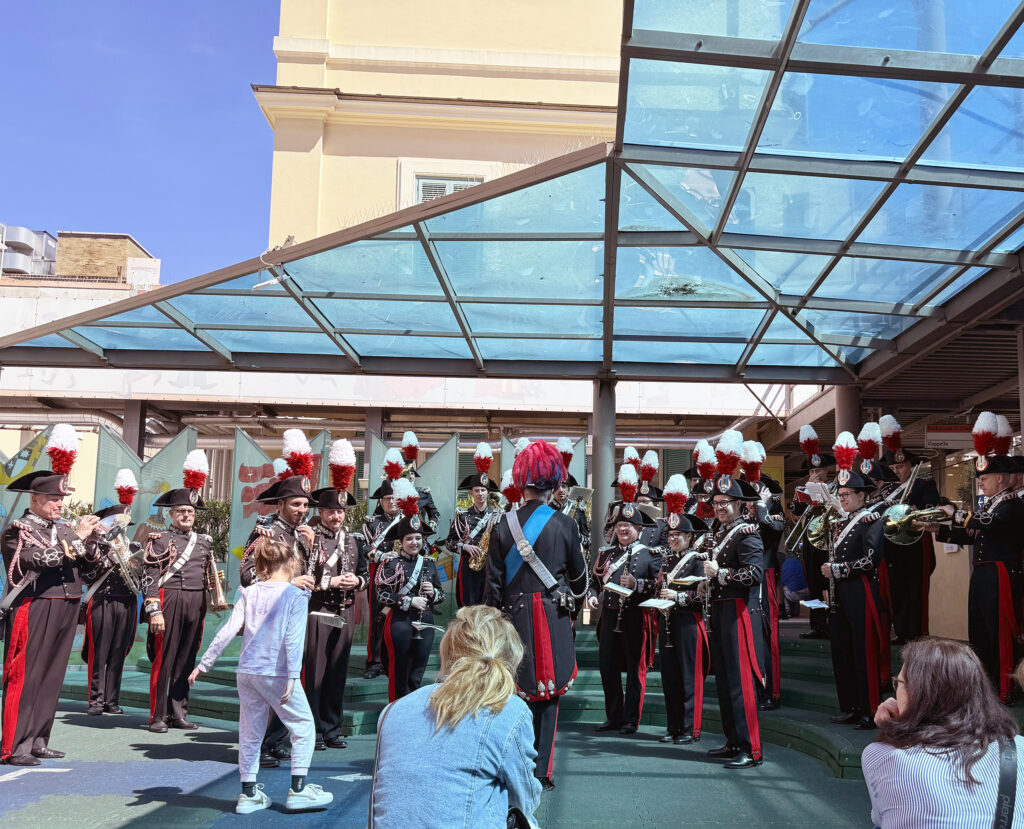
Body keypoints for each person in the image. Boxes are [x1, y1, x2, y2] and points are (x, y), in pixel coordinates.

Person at [191, 538, 333, 815]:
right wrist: (293, 675)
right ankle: (300, 790)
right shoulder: (296, 595)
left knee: (250, 732)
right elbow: (294, 639)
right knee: (303, 726)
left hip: (247, 671)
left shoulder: (248, 592)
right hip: (276, 672)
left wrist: (204, 665)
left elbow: (227, 630)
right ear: (292, 563)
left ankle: (248, 793)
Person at [368, 605, 542, 829]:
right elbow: (525, 798)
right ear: (509, 654)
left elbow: (377, 805)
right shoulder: (508, 709)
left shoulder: (392, 710)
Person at [484, 439, 588, 792]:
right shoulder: (566, 524)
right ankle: (541, 770)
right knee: (549, 696)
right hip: (552, 614)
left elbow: (492, 586)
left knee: (512, 693)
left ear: (521, 481)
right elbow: (580, 581)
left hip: (511, 619)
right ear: (555, 483)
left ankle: (512, 764)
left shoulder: (501, 524)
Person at [1, 435, 100, 766]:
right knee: (26, 675)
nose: (60, 504)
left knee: (52, 676)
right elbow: (39, 560)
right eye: (54, 499)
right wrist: (78, 539)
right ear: (36, 498)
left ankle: (39, 739)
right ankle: (15, 745)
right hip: (36, 605)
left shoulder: (65, 530)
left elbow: (91, 569)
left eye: (61, 498)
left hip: (67, 605)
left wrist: (93, 544)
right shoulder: (19, 529)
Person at [863, 638, 1023, 829]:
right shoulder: (1019, 747)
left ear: (919, 694)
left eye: (898, 684)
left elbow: (881, 817)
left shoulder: (884, 755)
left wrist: (891, 731)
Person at [931, 441, 1024, 704]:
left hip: (1001, 574)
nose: (980, 482)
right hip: (983, 574)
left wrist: (957, 514)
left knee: (999, 631)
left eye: (984, 477)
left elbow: (992, 524)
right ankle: (986, 685)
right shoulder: (992, 504)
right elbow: (976, 533)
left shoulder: (1012, 504)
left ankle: (1003, 687)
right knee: (979, 631)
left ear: (1000, 478)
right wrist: (940, 529)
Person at [239, 472, 316, 765]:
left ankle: (274, 740)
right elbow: (247, 575)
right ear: (281, 503)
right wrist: (286, 583)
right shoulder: (265, 532)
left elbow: (310, 578)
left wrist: (311, 550)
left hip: (294, 619)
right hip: (269, 623)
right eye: (296, 504)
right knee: (269, 685)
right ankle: (257, 748)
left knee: (287, 683)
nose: (302, 510)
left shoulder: (301, 535)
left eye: (305, 506)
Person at [141, 450, 214, 734]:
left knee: (186, 658)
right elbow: (150, 576)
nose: (187, 515)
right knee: (164, 660)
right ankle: (157, 716)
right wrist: (154, 610)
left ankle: (178, 712)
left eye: (191, 512)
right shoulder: (159, 540)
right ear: (172, 514)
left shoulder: (205, 541)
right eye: (182, 511)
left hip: (196, 601)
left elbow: (207, 573)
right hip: (168, 599)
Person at [588, 465, 662, 738]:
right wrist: (593, 596)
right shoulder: (605, 554)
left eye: (627, 526)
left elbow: (658, 585)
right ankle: (613, 716)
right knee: (607, 668)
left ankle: (631, 719)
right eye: (619, 525)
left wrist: (638, 584)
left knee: (634, 671)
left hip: (634, 618)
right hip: (608, 617)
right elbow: (594, 583)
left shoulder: (650, 554)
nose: (622, 529)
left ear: (638, 529)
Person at [703, 469, 765, 770]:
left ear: (741, 504)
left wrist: (721, 575)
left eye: (726, 502)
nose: (719, 507)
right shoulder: (719, 534)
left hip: (739, 612)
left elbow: (754, 574)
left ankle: (751, 747)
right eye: (715, 503)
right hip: (720, 610)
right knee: (726, 681)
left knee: (740, 682)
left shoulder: (747, 532)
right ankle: (733, 741)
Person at [823, 440, 886, 731]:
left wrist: (837, 570)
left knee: (863, 652)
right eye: (841, 494)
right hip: (840, 596)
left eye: (848, 494)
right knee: (842, 652)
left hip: (861, 593)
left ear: (862, 495)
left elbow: (871, 560)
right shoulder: (840, 522)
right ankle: (849, 706)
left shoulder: (871, 520)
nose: (843, 498)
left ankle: (869, 709)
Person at [304, 485, 367, 750]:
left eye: (340, 512)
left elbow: (364, 575)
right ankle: (313, 731)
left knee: (337, 673)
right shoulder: (309, 539)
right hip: (320, 611)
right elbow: (304, 575)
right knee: (315, 674)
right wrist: (332, 581)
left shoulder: (352, 541)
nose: (336, 517)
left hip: (346, 611)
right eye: (331, 511)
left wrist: (356, 581)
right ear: (321, 511)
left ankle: (332, 729)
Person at [375, 478, 445, 702]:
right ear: (401, 541)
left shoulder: (431, 563)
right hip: (400, 623)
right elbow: (381, 594)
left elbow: (442, 594)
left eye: (418, 538)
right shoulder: (391, 563)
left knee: (418, 674)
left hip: (426, 623)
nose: (414, 542)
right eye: (409, 539)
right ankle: (396, 713)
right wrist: (409, 601)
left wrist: (433, 593)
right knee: (400, 674)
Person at [656, 475, 710, 745]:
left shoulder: (698, 561)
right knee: (670, 678)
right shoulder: (666, 561)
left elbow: (702, 596)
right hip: (667, 624)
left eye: (679, 535)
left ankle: (690, 728)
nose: (674, 538)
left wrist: (677, 597)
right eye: (671, 534)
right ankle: (673, 726)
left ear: (690, 537)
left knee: (690, 678)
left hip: (689, 623)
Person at [80, 483, 142, 717]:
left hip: (126, 603)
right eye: (116, 523)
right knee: (100, 651)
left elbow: (140, 575)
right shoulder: (96, 547)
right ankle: (95, 700)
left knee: (119, 650)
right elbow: (87, 574)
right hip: (102, 601)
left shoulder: (133, 546)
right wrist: (94, 545)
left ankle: (112, 700)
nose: (120, 528)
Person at [879, 415, 940, 643]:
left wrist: (916, 509)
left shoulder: (923, 484)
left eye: (901, 466)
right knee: (896, 587)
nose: (897, 471)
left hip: (915, 542)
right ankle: (902, 630)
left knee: (915, 587)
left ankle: (916, 631)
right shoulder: (886, 491)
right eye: (893, 467)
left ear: (909, 466)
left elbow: (933, 507)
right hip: (893, 543)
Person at [791, 425, 835, 640]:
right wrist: (806, 493)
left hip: (828, 540)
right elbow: (797, 513)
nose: (815, 474)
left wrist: (824, 495)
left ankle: (833, 622)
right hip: (810, 539)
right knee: (814, 582)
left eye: (819, 471)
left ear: (827, 471)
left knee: (830, 581)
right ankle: (818, 624)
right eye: (811, 471)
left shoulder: (836, 487)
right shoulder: (805, 488)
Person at [446, 442, 499, 607]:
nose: (480, 494)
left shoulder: (498, 515)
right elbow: (449, 542)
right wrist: (464, 547)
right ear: (471, 493)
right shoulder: (462, 516)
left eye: (483, 490)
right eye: (477, 490)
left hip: (490, 566)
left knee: (488, 605)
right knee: (468, 605)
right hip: (469, 566)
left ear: (488, 492)